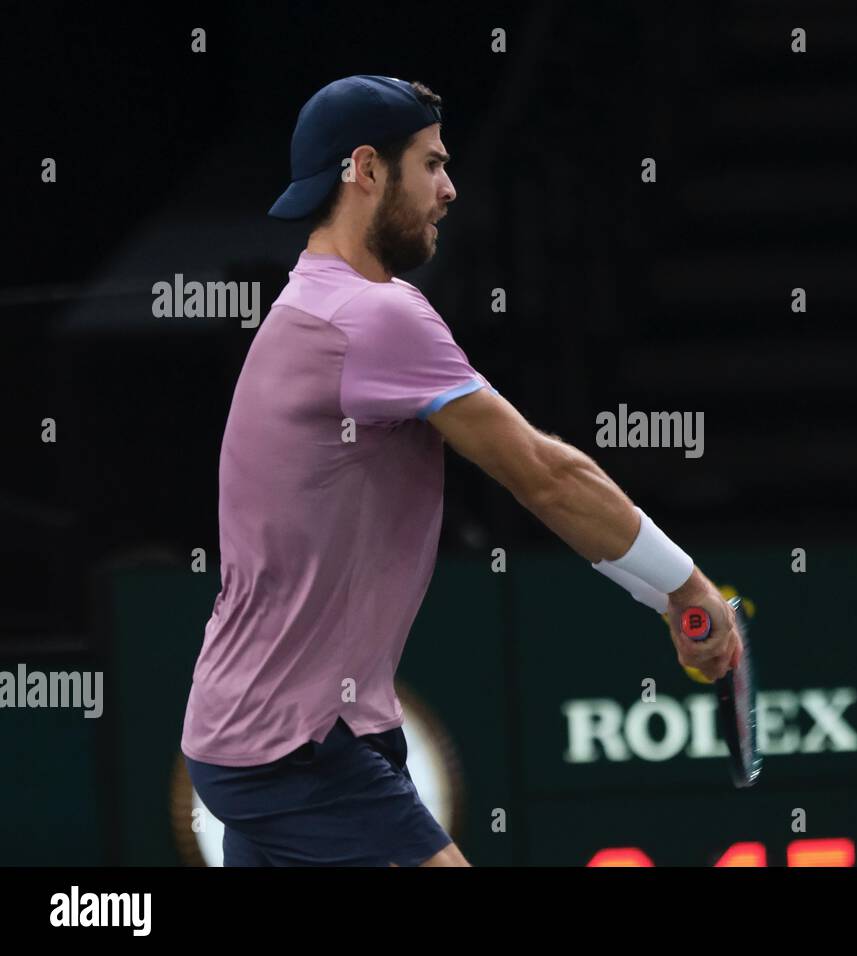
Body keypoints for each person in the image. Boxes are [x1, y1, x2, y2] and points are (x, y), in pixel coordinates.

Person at [180, 75, 740, 867]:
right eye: (432, 164)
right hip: (292, 745)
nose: (450, 189)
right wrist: (683, 587)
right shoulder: (374, 316)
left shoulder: (318, 305)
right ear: (367, 170)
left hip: (302, 729)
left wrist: (668, 598)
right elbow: (544, 474)